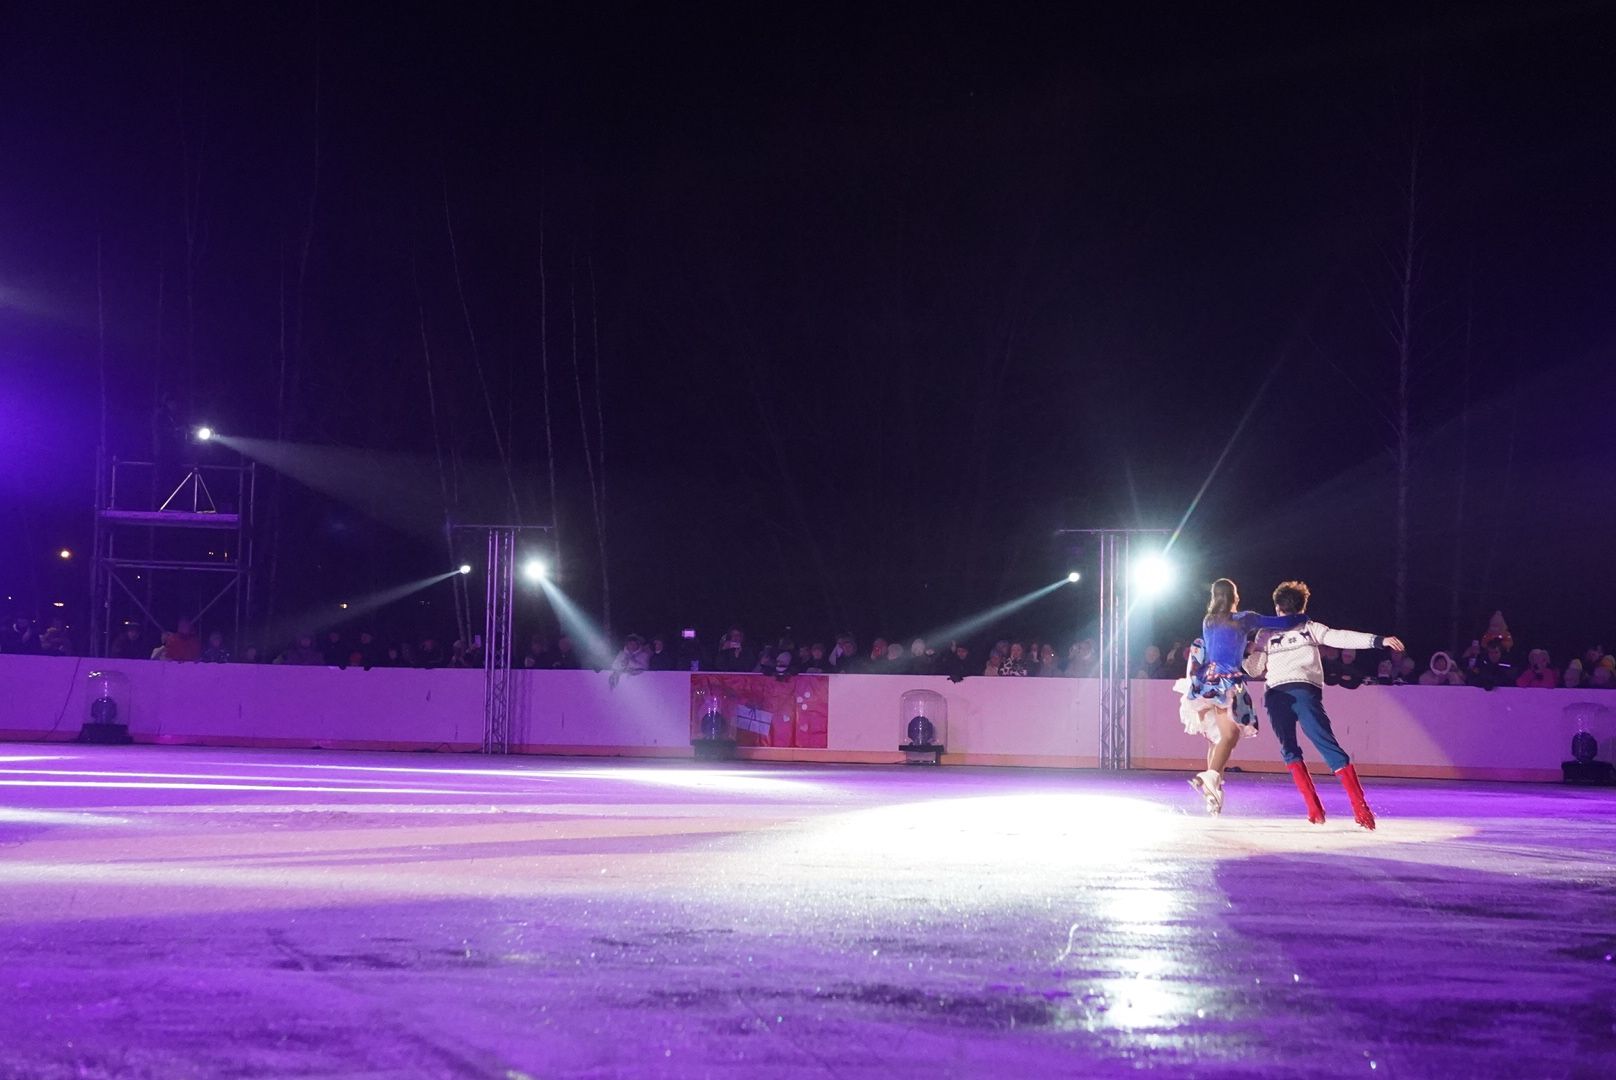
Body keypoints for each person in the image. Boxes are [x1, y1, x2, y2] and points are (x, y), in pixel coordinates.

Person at [1246, 580, 1404, 830]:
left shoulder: (1269, 633)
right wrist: (1378, 640)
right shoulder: (1306, 628)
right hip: (1298, 693)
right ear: (1302, 605)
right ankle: (1358, 809)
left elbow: (1253, 669)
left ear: (1277, 608)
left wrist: (1242, 652)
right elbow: (1340, 637)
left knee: (1291, 750)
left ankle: (1315, 810)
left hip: (1279, 694)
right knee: (1326, 746)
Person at [1178, 579, 1303, 815]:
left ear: (1215, 597)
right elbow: (1282, 622)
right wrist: (1302, 618)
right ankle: (1211, 777)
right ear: (1235, 597)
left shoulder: (1209, 620)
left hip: (1205, 681)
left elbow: (1222, 646)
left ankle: (1212, 794)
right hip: (1226, 682)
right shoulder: (1244, 618)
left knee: (1217, 739)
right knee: (1230, 734)